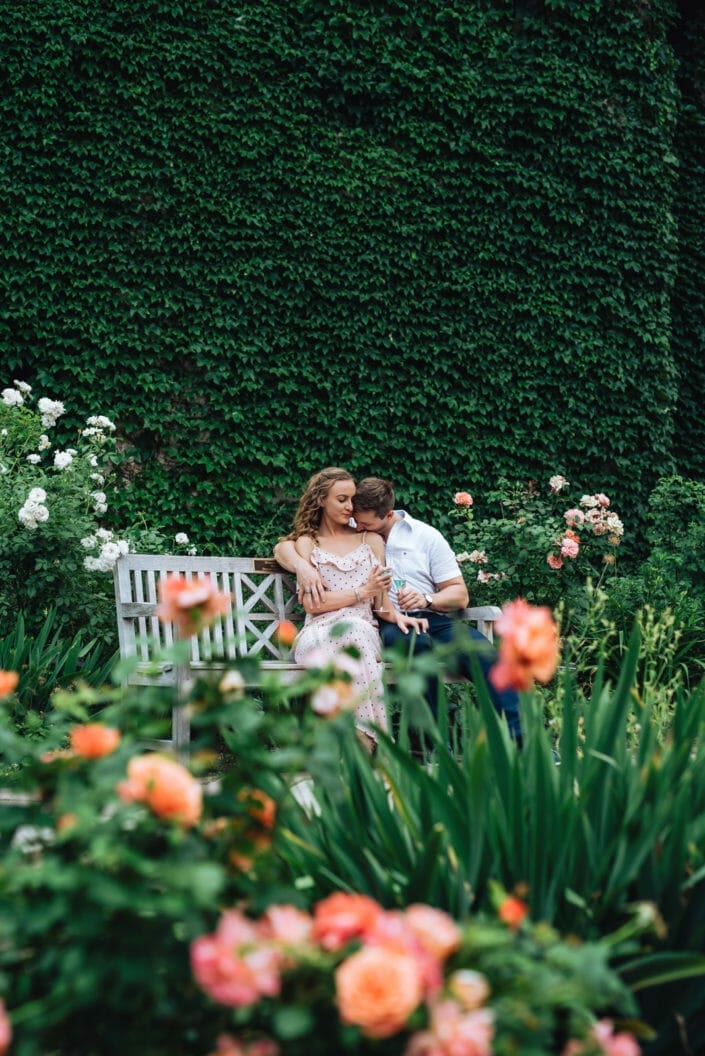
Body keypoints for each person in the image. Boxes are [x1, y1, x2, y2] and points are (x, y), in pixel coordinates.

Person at [349, 477, 523, 746]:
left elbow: (460, 595)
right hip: (387, 622)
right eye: (357, 520)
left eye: (367, 523)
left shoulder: (425, 536)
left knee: (484, 652)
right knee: (414, 646)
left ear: (388, 514)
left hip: (433, 619)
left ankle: (521, 742)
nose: (359, 526)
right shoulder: (350, 532)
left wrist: (426, 599)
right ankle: (433, 744)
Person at [274, 467, 428, 749]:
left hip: (362, 629)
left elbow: (380, 604)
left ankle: (348, 742)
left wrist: (399, 615)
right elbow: (312, 603)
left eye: (352, 499)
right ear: (321, 500)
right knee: (337, 641)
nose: (350, 506)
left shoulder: (370, 540)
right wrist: (359, 590)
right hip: (317, 631)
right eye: (342, 499)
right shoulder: (308, 543)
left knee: (355, 633)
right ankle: (367, 741)